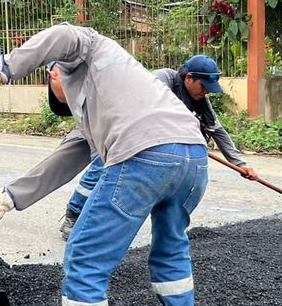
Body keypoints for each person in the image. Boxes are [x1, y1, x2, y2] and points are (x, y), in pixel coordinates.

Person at [0, 23, 209, 306]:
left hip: (145, 155)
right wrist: (8, 200)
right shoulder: (115, 93)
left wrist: (3, 67)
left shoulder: (87, 49)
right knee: (171, 251)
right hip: (192, 157)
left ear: (53, 72)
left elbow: (63, 34)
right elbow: (69, 157)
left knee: (84, 259)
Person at [57, 54, 258, 239]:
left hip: (148, 138)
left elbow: (217, 130)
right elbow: (142, 111)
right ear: (189, 78)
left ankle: (99, 223)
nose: (206, 91)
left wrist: (240, 164)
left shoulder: (199, 100)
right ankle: (73, 215)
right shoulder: (160, 81)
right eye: (203, 86)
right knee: (102, 166)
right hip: (117, 124)